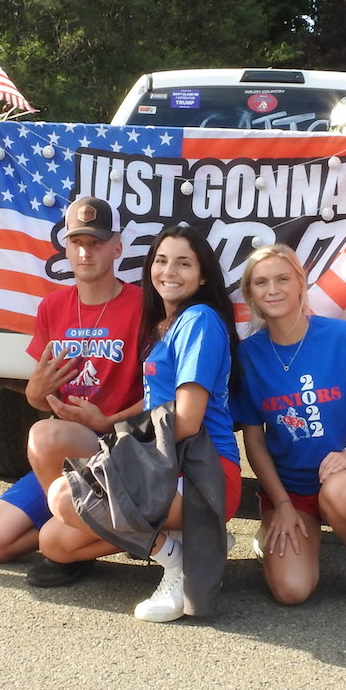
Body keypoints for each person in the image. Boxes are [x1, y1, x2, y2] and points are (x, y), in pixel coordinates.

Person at [40, 224, 242, 623]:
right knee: (54, 541)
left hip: (204, 474)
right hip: (168, 465)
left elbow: (187, 421)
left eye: (183, 263)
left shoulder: (199, 320)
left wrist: (120, 453)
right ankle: (187, 543)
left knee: (65, 497)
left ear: (203, 276)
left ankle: (177, 559)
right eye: (161, 261)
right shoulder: (166, 325)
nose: (169, 271)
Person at [0, 196, 143, 586]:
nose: (85, 252)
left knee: (44, 434)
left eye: (96, 243)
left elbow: (160, 394)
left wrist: (108, 420)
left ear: (117, 247)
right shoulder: (52, 307)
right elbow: (40, 396)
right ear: (65, 247)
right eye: (77, 242)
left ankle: (69, 548)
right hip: (64, 458)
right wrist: (35, 391)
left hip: (119, 445)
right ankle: (92, 535)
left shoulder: (142, 306)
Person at [233, 245, 346, 610]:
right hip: (291, 490)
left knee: (342, 493)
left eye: (282, 279)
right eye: (261, 282)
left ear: (301, 283)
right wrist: (281, 503)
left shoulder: (343, 336)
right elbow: (254, 441)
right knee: (291, 591)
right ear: (250, 294)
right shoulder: (248, 355)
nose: (273, 290)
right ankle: (272, 531)